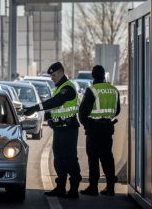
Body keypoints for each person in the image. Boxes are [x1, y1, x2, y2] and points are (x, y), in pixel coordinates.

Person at [23, 62, 82, 199]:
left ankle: (73, 190)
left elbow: (56, 101)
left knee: (70, 159)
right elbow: (59, 108)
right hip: (59, 129)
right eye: (51, 75)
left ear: (61, 73)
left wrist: (36, 108)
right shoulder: (60, 87)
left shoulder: (67, 88)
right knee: (59, 160)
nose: (52, 78)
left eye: (54, 75)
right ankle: (60, 188)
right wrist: (50, 116)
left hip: (68, 130)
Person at [78, 65, 121, 196]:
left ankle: (93, 187)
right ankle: (110, 187)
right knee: (108, 158)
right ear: (104, 76)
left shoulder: (92, 90)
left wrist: (87, 125)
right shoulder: (114, 90)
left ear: (93, 75)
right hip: (107, 128)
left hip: (94, 129)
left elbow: (82, 112)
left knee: (93, 158)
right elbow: (117, 110)